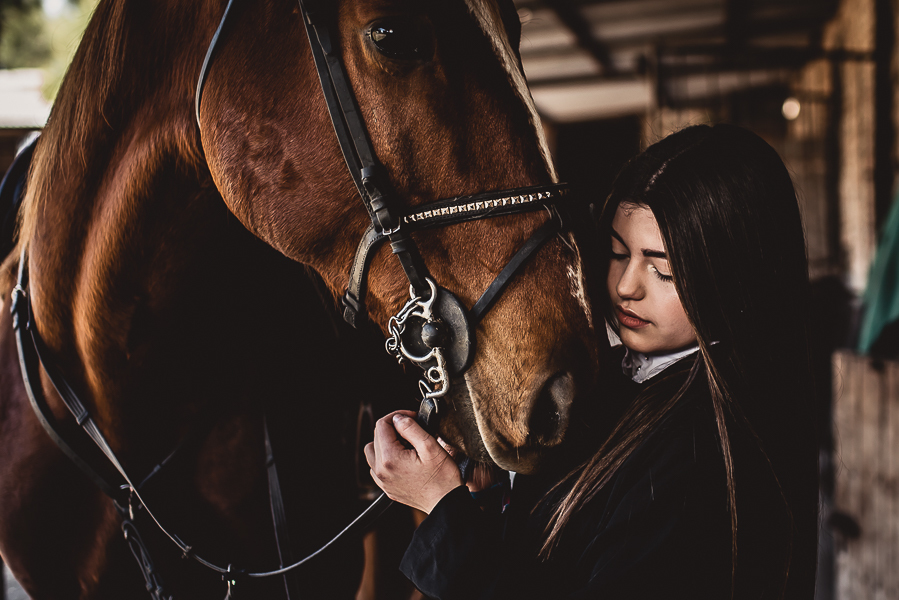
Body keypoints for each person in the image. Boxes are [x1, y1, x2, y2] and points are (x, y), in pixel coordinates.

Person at [365, 124, 819, 599]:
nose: (626, 286)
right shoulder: (627, 382)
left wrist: (440, 510)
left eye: (664, 270)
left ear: (736, 277)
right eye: (617, 253)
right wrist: (485, 501)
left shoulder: (705, 451)